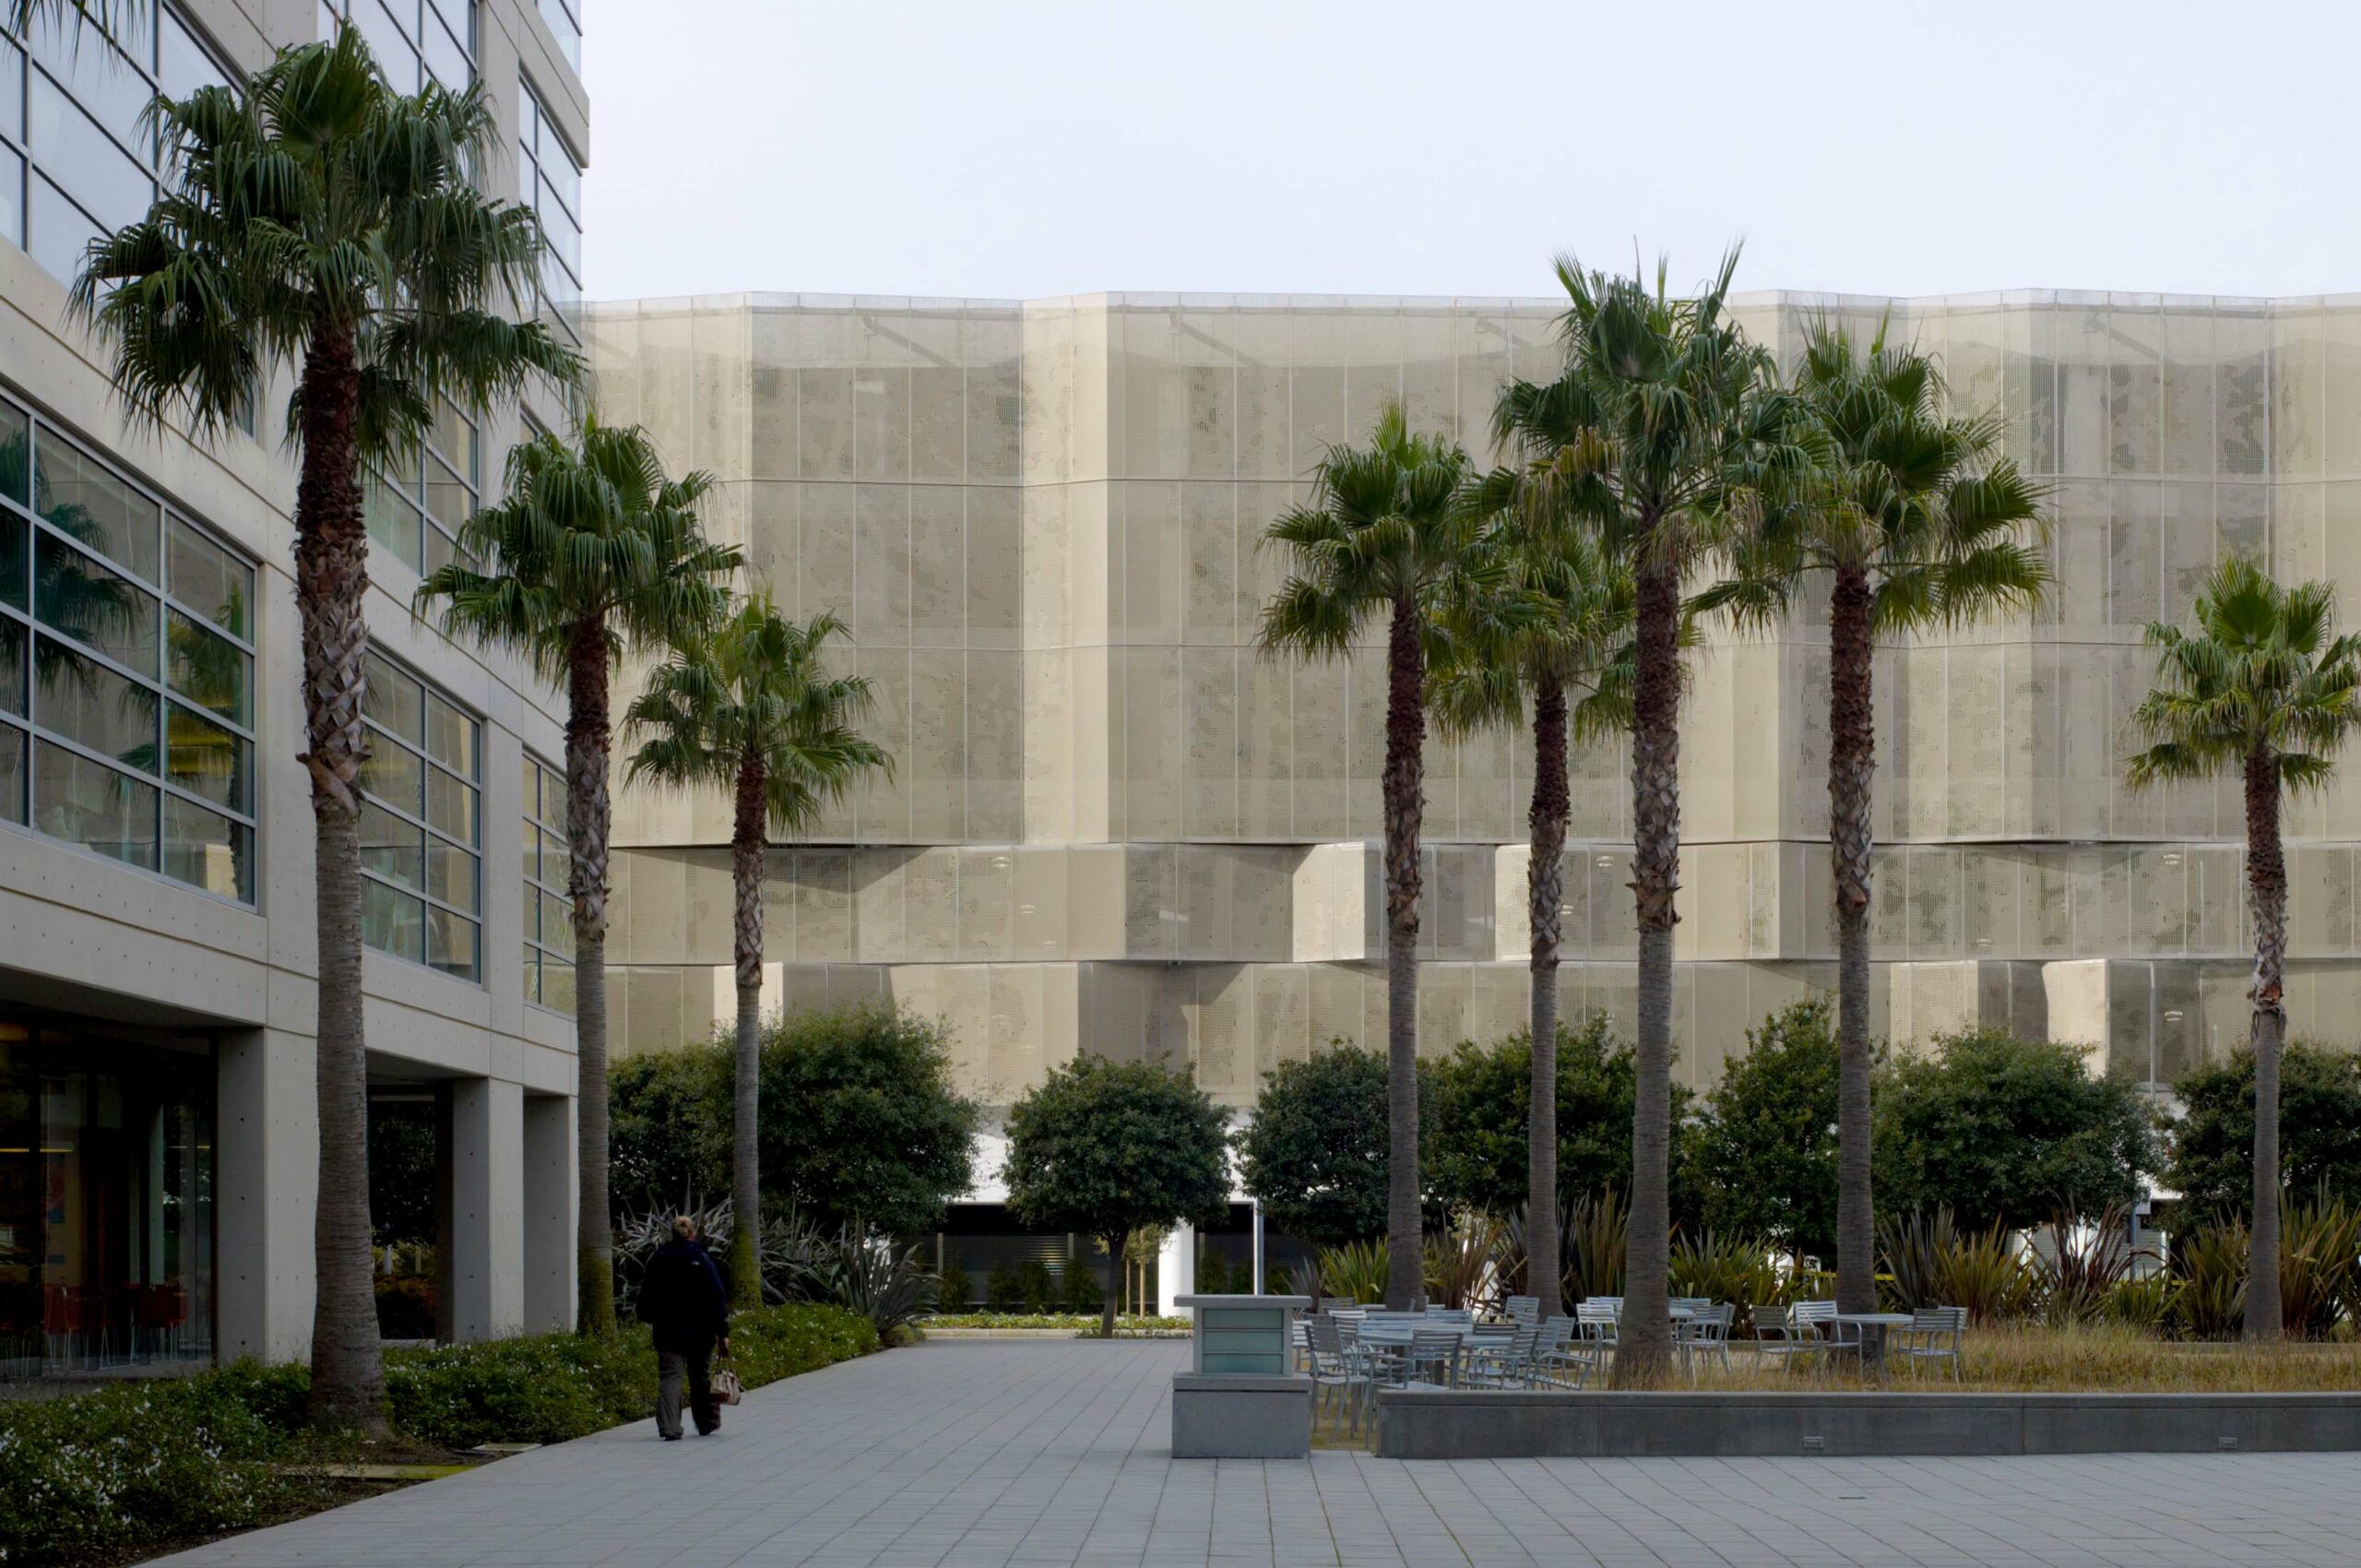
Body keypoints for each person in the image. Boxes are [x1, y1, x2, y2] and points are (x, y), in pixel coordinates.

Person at [637, 1214, 730, 1440]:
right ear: (692, 1233)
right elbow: (716, 1296)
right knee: (699, 1376)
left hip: (667, 1330)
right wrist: (722, 1333)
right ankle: (706, 1422)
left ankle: (669, 1427)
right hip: (701, 1331)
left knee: (670, 1377)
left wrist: (651, 1318)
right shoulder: (700, 1257)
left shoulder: (658, 1258)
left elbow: (646, 1295)